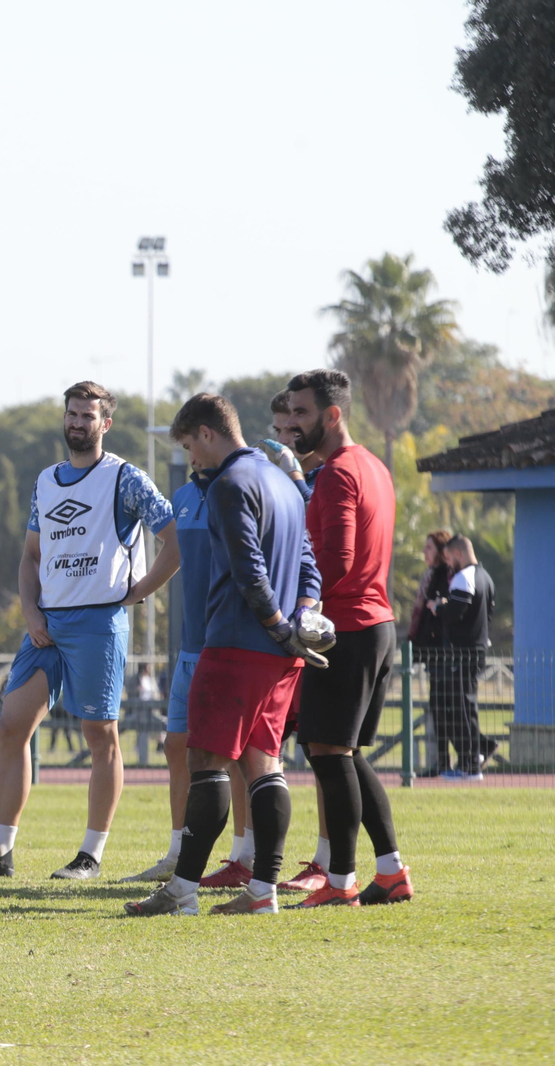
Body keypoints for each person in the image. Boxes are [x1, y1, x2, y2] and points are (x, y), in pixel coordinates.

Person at [0, 382, 179, 882]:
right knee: (10, 727)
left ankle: (90, 856)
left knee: (100, 736)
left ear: (105, 423)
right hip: (46, 624)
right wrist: (31, 613)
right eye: (71, 414)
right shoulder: (46, 480)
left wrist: (138, 593)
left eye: (87, 416)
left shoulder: (126, 478)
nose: (77, 422)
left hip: (98, 621)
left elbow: (175, 538)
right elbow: (31, 557)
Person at [126, 394, 327, 917]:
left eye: (191, 446)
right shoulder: (284, 482)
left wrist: (278, 626)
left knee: (207, 761)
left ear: (208, 434)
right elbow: (309, 565)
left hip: (238, 643)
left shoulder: (230, 486)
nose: (192, 459)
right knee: (265, 763)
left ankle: (182, 890)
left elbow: (248, 570)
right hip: (282, 656)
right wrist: (300, 620)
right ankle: (263, 892)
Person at [283, 369, 413, 907]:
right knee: (347, 753)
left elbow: (334, 561)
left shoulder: (337, 473)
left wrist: (298, 609)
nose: (293, 424)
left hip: (348, 629)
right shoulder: (373, 466)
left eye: (302, 413)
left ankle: (340, 884)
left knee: (328, 752)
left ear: (333, 416)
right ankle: (391, 872)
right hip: (377, 624)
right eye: (290, 413)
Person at [120, 451, 212, 884]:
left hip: (226, 645)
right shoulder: (183, 495)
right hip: (188, 647)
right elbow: (173, 550)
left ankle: (243, 857)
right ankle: (177, 853)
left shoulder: (240, 490)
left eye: (196, 440)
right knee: (176, 746)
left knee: (233, 757)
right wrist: (137, 591)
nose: (192, 452)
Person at [434, 534, 497, 780]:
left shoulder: (463, 577)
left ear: (458, 554)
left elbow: (455, 614)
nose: (448, 563)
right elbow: (487, 614)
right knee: (466, 704)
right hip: (479, 649)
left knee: (461, 707)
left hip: (463, 653)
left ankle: (471, 764)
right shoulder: (486, 578)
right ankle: (475, 756)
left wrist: (439, 607)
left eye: (449, 558)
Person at [410, 530, 454, 776]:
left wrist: (438, 606)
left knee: (449, 705)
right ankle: (442, 762)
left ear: (440, 550)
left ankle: (476, 749)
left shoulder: (449, 575)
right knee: (437, 707)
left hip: (444, 652)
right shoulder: (430, 576)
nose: (425, 552)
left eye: (429, 547)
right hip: (431, 651)